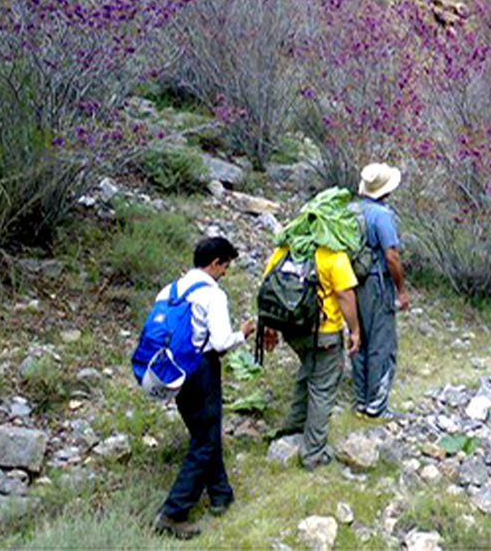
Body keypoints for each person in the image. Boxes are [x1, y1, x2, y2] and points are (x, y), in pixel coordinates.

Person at [153, 237, 255, 540]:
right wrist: (244, 333)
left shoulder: (169, 290)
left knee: (203, 433)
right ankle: (173, 512)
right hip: (202, 368)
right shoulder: (212, 295)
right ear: (215, 263)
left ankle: (221, 495)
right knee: (205, 441)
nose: (225, 272)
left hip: (173, 368)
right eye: (225, 266)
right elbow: (222, 341)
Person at [264, 241, 362, 469]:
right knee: (323, 388)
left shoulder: (285, 250)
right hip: (323, 334)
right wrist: (355, 330)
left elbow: (268, 286)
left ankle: (294, 427)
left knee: (307, 372)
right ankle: (313, 454)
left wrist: (270, 326)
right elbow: (345, 294)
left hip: (292, 330)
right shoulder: (333, 255)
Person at [352, 162, 411, 419]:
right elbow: (392, 257)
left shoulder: (350, 210)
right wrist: (401, 290)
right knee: (382, 343)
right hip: (377, 284)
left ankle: (361, 400)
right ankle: (377, 404)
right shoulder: (382, 215)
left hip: (352, 283)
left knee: (358, 339)